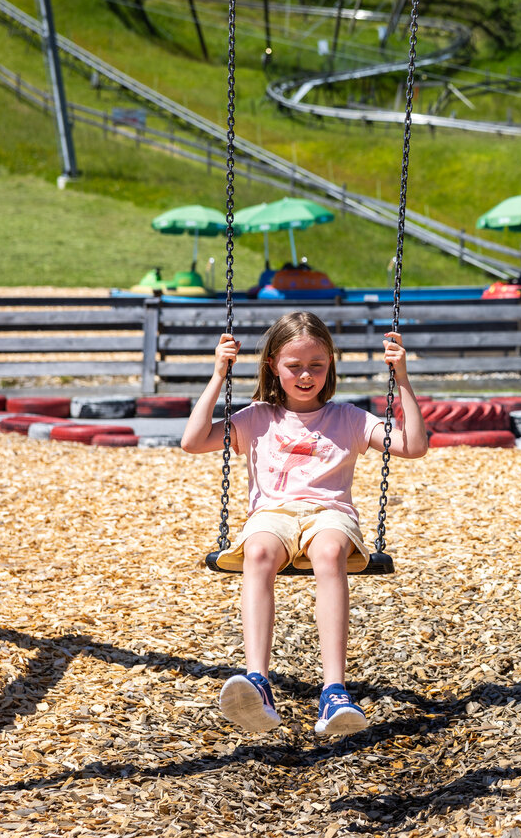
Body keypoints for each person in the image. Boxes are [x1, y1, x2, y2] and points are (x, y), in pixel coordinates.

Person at [181, 311, 428, 736]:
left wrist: (401, 378)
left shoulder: (349, 418)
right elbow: (192, 441)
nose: (306, 375)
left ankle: (334, 691)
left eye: (316, 365)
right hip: (272, 515)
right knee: (257, 551)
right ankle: (257, 682)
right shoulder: (257, 418)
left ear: (330, 364)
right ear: (273, 366)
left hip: (329, 515)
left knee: (329, 551)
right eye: (294, 366)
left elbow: (413, 446)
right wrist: (218, 374)